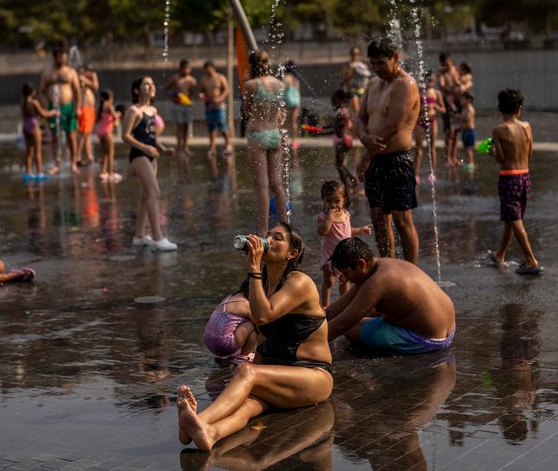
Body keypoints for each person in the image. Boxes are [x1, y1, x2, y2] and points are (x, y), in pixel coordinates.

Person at [177, 223, 333, 451]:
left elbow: (262, 316)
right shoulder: (264, 282)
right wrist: (247, 379)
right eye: (268, 235)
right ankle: (209, 433)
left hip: (313, 375)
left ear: (292, 253)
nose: (269, 239)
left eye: (278, 237)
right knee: (248, 405)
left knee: (246, 372)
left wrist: (253, 267)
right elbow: (263, 336)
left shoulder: (300, 282)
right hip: (278, 373)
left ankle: (197, 420)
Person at [326, 237, 456, 354]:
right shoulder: (382, 266)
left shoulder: (378, 281)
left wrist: (310, 343)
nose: (345, 280)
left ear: (361, 264)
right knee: (361, 313)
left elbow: (342, 323)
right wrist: (317, 317)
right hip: (448, 331)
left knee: (350, 328)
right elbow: (340, 305)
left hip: (424, 340)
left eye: (346, 273)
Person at [355, 39, 420, 264]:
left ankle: (412, 273)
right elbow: (360, 117)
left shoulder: (406, 84)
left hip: (397, 160)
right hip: (376, 160)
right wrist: (364, 137)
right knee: (379, 218)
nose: (377, 68)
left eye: (381, 63)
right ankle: (389, 268)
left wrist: (366, 156)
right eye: (373, 63)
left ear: (395, 58)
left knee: (402, 220)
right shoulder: (373, 84)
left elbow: (394, 125)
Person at [489, 89, 542, 275]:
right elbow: (529, 153)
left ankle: (531, 260)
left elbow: (501, 158)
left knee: (514, 219)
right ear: (519, 109)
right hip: (525, 176)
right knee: (512, 219)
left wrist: (491, 151)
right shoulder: (527, 127)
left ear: (499, 108)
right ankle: (499, 255)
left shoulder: (499, 130)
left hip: (509, 177)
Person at [122, 76, 178, 251]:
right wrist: (145, 148)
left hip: (151, 155)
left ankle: (139, 236)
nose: (151, 86)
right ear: (137, 90)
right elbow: (125, 136)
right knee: (155, 192)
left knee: (145, 195)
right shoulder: (134, 111)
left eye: (152, 83)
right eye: (146, 83)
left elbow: (152, 137)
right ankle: (157, 237)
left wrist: (162, 148)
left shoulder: (152, 110)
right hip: (138, 156)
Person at [243, 49, 288, 236]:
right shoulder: (280, 84)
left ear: (252, 65)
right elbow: (279, 113)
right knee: (277, 183)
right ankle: (285, 225)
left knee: (261, 185)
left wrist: (246, 80)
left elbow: (246, 111)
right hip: (275, 134)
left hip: (258, 134)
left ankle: (262, 230)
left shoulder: (251, 85)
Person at [317, 181, 371, 307]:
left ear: (344, 199)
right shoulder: (323, 217)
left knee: (345, 280)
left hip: (345, 255)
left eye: (337, 201)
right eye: (329, 201)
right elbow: (322, 232)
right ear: (323, 200)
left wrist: (360, 230)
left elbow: (347, 230)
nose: (333, 205)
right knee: (329, 281)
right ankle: (325, 305)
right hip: (330, 256)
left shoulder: (345, 214)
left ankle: (344, 303)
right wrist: (329, 218)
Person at [39, 47, 82, 174]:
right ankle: (57, 164)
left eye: (65, 57)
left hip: (68, 107)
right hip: (53, 107)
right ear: (55, 57)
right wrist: (45, 108)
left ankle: (73, 163)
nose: (64, 60)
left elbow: (77, 91)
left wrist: (78, 107)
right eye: (61, 57)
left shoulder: (70, 72)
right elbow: (42, 91)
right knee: (55, 137)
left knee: (71, 136)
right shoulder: (47, 73)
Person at [202, 279, 259, 362]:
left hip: (209, 342)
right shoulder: (245, 304)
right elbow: (261, 322)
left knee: (234, 324)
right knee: (255, 326)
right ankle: (243, 357)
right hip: (223, 345)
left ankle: (222, 357)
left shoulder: (230, 298)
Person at [164, 59, 197, 178]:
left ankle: (185, 146)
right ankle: (179, 146)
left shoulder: (192, 80)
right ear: (181, 68)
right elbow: (166, 89)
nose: (186, 70)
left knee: (187, 126)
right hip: (177, 105)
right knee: (179, 126)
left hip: (187, 105)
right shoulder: (175, 78)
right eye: (184, 68)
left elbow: (192, 93)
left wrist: (191, 101)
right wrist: (172, 97)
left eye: (188, 68)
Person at [21, 82, 59, 177]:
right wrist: (53, 112)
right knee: (38, 152)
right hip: (34, 126)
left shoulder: (23, 103)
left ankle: (28, 173)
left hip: (25, 126)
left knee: (29, 152)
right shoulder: (34, 103)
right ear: (32, 92)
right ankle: (40, 173)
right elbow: (43, 114)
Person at [414, 71, 445, 184]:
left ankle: (432, 173)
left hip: (432, 121)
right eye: (429, 80)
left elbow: (444, 110)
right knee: (418, 149)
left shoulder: (436, 93)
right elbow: (414, 108)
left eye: (432, 80)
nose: (430, 82)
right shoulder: (419, 92)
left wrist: (436, 106)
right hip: (420, 122)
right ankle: (416, 173)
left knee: (432, 148)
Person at [199, 60, 233, 159]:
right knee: (211, 126)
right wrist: (202, 96)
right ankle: (212, 146)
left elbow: (227, 89)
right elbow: (201, 91)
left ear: (212, 68)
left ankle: (228, 144)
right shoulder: (204, 79)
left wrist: (220, 98)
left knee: (221, 123)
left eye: (207, 69)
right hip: (209, 104)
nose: (206, 71)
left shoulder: (220, 77)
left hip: (219, 105)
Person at [331, 89, 358, 194]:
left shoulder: (340, 113)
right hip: (345, 140)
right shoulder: (344, 111)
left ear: (340, 102)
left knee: (339, 165)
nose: (332, 104)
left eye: (334, 101)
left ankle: (346, 185)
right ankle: (351, 181)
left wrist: (322, 131)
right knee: (340, 164)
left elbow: (337, 129)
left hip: (342, 142)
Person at [439, 53, 461, 167]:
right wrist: (452, 89)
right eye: (446, 63)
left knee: (456, 132)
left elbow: (460, 82)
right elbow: (442, 85)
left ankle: (454, 157)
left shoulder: (455, 70)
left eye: (449, 61)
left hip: (456, 102)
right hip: (447, 103)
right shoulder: (442, 72)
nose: (448, 64)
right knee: (449, 132)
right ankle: (447, 158)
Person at [97, 90, 124, 182]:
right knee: (111, 153)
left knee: (105, 153)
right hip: (107, 132)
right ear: (110, 98)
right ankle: (111, 173)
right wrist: (119, 113)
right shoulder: (109, 105)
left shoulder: (101, 107)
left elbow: (98, 120)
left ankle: (103, 172)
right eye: (112, 98)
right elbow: (115, 116)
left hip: (100, 131)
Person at [76, 66, 100, 166]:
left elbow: (96, 86)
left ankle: (89, 156)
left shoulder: (87, 80)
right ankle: (77, 156)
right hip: (83, 108)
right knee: (83, 133)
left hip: (90, 108)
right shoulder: (77, 79)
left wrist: (90, 77)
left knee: (88, 133)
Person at [341, 46, 372, 116]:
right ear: (351, 55)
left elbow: (369, 76)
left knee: (364, 111)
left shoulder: (363, 64)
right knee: (357, 112)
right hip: (352, 90)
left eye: (357, 54)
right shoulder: (347, 65)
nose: (355, 56)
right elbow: (343, 80)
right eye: (354, 54)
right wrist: (352, 71)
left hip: (362, 89)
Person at [283, 60, 301, 157]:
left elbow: (283, 89)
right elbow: (298, 92)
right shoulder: (296, 79)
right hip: (296, 101)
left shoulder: (287, 78)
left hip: (288, 100)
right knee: (294, 121)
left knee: (286, 121)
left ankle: (284, 140)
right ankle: (294, 141)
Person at [459, 91, 476, 168]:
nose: (461, 101)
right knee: (466, 148)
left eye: (463, 99)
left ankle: (470, 163)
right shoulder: (465, 108)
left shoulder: (470, 109)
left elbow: (467, 118)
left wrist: (459, 116)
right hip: (465, 131)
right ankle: (467, 161)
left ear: (468, 100)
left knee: (469, 149)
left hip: (469, 131)